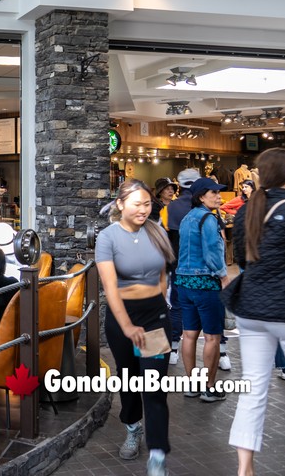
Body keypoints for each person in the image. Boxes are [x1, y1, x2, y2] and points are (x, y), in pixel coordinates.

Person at [228, 148, 285, 476]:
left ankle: (245, 469)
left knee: (253, 387)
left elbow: (244, 261)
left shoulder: (248, 210)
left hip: (251, 308)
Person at [95, 179, 174, 476]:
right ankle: (132, 427)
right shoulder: (108, 237)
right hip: (121, 317)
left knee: (153, 384)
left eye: (147, 204)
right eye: (137, 204)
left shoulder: (157, 232)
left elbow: (163, 273)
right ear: (120, 204)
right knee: (128, 378)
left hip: (154, 319)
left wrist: (162, 304)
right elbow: (110, 287)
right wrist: (127, 325)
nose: (143, 209)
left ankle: (157, 453)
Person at [175, 177, 228, 402]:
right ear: (201, 196)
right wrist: (224, 277)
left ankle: (191, 385)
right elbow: (212, 253)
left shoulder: (187, 218)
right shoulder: (208, 218)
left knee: (188, 334)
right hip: (205, 283)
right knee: (212, 338)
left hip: (183, 283)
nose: (218, 196)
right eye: (213, 192)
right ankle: (209, 388)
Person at [165, 168, 199, 366]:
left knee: (177, 305)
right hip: (202, 266)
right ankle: (222, 352)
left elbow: (167, 238)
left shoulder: (172, 207)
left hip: (177, 263)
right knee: (208, 309)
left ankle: (174, 347)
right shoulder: (204, 206)